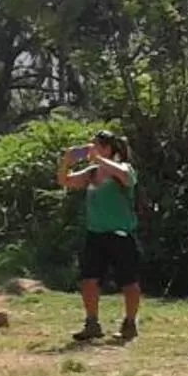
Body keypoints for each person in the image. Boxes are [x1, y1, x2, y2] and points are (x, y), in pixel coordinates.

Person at [59, 129, 142, 342]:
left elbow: (126, 177)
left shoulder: (123, 168)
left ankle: (130, 323)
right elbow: (66, 181)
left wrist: (98, 159)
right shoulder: (92, 172)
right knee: (88, 280)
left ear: (108, 149)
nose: (91, 149)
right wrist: (66, 161)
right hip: (95, 234)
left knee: (128, 281)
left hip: (121, 234)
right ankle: (92, 322)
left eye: (96, 145)